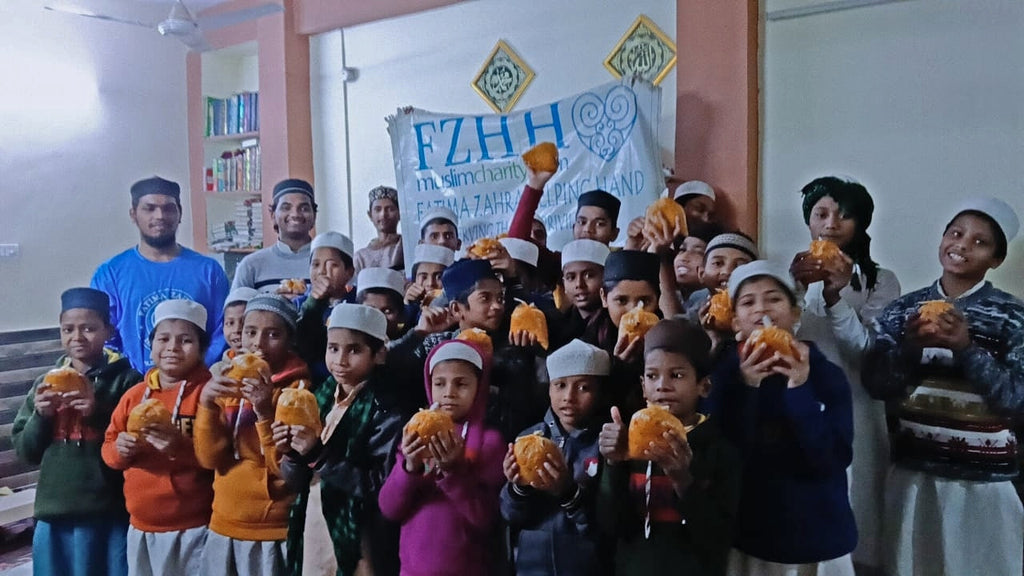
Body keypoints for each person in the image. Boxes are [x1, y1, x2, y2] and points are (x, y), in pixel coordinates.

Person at [863, 198, 1024, 576]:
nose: (963, 244)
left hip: (987, 482)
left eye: (980, 242)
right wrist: (910, 348)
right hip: (915, 476)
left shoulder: (1013, 317)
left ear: (996, 260)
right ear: (941, 240)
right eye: (956, 233)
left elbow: (1015, 401)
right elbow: (877, 385)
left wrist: (967, 349)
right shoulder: (903, 311)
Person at [707, 260, 857, 575]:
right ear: (736, 323)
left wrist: (800, 388)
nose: (763, 308)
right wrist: (748, 388)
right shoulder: (723, 377)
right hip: (751, 534)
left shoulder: (826, 375)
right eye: (748, 302)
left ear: (795, 313)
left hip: (818, 532)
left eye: (774, 298)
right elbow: (721, 455)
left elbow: (832, 457)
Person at [788, 176, 901, 572]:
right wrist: (797, 293)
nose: (831, 223)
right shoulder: (789, 278)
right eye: (821, 213)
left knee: (856, 504)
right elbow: (779, 339)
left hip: (856, 407)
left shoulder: (880, 281)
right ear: (809, 222)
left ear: (862, 224)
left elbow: (867, 353)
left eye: (845, 215)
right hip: (800, 406)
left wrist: (836, 296)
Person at [12, 288, 142, 576]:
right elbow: (26, 451)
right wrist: (41, 416)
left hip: (108, 509)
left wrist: (95, 413)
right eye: (68, 329)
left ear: (108, 330)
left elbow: (136, 441)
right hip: (53, 510)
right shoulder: (44, 384)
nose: (78, 337)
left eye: (89, 328)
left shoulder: (126, 381)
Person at [598, 319, 740, 576]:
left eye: (677, 375)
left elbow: (717, 539)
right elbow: (611, 526)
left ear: (704, 386)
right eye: (652, 376)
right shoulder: (628, 444)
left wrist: (684, 482)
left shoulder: (720, 451)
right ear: (643, 387)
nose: (662, 385)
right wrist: (614, 464)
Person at [278, 304, 403, 576]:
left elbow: (379, 487)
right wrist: (291, 454)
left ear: (379, 354)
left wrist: (317, 455)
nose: (340, 360)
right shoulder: (317, 397)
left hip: (360, 534)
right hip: (314, 521)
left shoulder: (385, 410)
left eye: (354, 350)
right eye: (333, 348)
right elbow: (294, 481)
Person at [195, 293, 314, 575]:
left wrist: (264, 411)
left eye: (273, 334)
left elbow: (284, 468)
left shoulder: (298, 392)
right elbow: (209, 458)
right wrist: (206, 405)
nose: (258, 343)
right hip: (224, 519)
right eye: (250, 332)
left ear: (289, 340)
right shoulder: (225, 379)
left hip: (272, 527)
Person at [102, 299, 214, 576]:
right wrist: (119, 450)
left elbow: (220, 457)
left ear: (202, 348)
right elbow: (108, 446)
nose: (173, 348)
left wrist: (181, 446)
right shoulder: (134, 396)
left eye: (185, 340)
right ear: (151, 345)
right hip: (140, 524)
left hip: (194, 526)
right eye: (163, 338)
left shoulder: (209, 396)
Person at [378, 340, 506, 576]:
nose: (449, 392)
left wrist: (454, 472)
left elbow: (486, 518)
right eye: (439, 383)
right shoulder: (413, 435)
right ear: (429, 386)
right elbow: (389, 509)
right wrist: (409, 467)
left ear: (479, 388)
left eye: (461, 384)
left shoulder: (490, 443)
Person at [91, 176, 229, 371]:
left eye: (168, 208)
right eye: (149, 208)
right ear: (133, 214)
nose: (160, 216)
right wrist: (129, 380)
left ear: (180, 214)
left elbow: (222, 330)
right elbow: (105, 337)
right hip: (133, 387)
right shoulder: (110, 274)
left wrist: (197, 374)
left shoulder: (209, 271)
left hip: (197, 388)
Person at [501, 339, 610, 576]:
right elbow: (509, 515)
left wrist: (567, 490)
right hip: (531, 566)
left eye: (583, 388)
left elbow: (605, 523)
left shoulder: (604, 444)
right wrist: (517, 487)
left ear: (600, 392)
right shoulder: (528, 438)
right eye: (560, 385)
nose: (568, 396)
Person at [582, 250, 661, 414]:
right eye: (621, 300)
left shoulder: (670, 339)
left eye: (645, 301)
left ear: (658, 299)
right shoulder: (587, 346)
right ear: (604, 297)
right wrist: (618, 370)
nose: (634, 312)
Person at [232, 178, 318, 293]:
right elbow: (235, 310)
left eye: (304, 208)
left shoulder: (330, 264)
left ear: (314, 216)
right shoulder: (251, 265)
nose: (295, 214)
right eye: (286, 207)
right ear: (273, 215)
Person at [296, 231, 356, 381]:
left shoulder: (358, 303)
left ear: (349, 272)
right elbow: (298, 342)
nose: (322, 272)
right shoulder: (299, 303)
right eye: (315, 264)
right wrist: (314, 303)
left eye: (333, 265)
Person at [552, 239, 611, 349]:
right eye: (571, 277)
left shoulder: (614, 325)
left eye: (589, 275)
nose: (579, 284)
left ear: (606, 278)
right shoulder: (558, 326)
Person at [354, 186, 404, 275]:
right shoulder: (361, 257)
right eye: (378, 209)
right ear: (370, 215)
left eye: (390, 209)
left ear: (400, 213)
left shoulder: (406, 247)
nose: (383, 215)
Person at [356, 267, 410, 340]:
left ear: (400, 315)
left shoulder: (414, 344)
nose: (378, 318)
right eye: (370, 310)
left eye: (387, 311)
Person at [221, 287, 259, 357]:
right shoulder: (218, 367)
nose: (236, 329)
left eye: (244, 322)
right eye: (230, 323)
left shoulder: (269, 366)